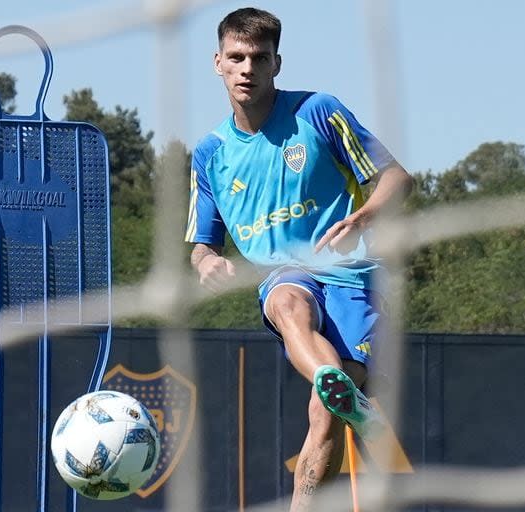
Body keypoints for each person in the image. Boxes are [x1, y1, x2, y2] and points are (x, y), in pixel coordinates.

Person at [184, 6, 414, 511]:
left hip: (356, 275)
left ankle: (334, 401)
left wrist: (363, 217)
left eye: (259, 58)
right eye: (237, 57)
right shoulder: (210, 153)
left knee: (323, 416)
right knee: (287, 301)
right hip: (285, 274)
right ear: (217, 62)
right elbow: (203, 241)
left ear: (276, 64)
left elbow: (397, 178)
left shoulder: (318, 111)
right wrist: (206, 264)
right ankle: (335, 382)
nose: (247, 69)